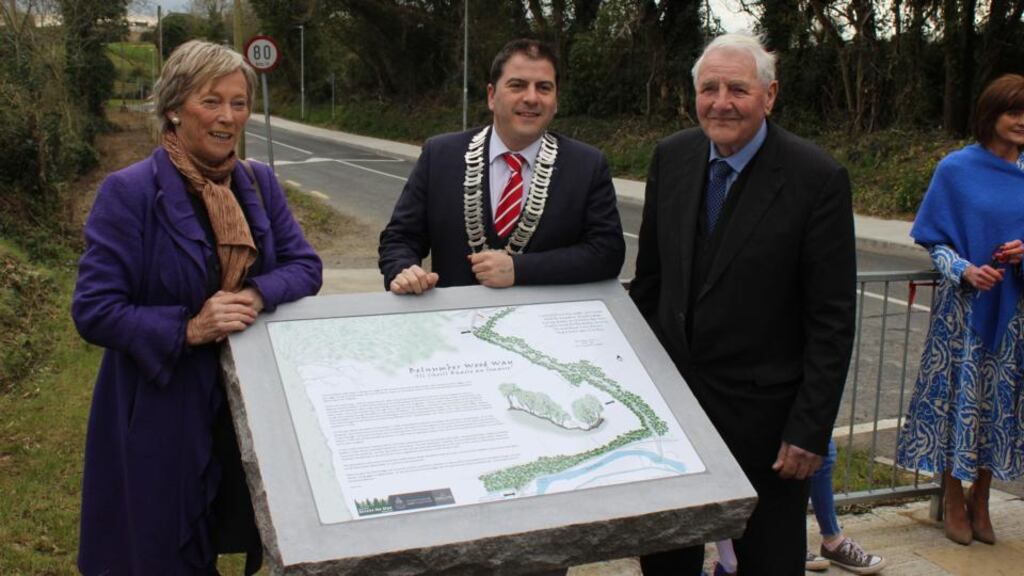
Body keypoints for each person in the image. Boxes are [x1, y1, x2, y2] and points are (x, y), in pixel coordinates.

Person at [72, 40, 323, 575]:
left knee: (234, 526)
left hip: (244, 406)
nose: (228, 117)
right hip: (160, 409)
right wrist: (188, 328)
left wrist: (256, 294)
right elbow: (93, 310)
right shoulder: (130, 193)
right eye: (212, 101)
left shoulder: (257, 183)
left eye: (238, 102)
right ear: (173, 106)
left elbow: (306, 267)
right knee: (162, 550)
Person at [630, 32, 856, 575]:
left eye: (738, 88)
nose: (721, 102)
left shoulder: (816, 179)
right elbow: (651, 285)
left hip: (767, 428)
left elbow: (831, 319)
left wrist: (809, 430)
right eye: (709, 88)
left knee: (769, 562)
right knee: (666, 562)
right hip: (674, 422)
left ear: (770, 95)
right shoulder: (673, 157)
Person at [378, 38, 625, 293]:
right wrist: (403, 270)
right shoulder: (441, 155)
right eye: (517, 85)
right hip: (454, 323)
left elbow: (607, 252)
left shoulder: (587, 165)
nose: (531, 98)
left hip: (545, 326)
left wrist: (520, 269)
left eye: (543, 88)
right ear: (491, 96)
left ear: (556, 101)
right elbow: (400, 237)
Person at [897, 73, 1024, 546]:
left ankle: (983, 498)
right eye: (1013, 111)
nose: (1021, 121)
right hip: (963, 316)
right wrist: (966, 270)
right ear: (990, 115)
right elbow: (933, 240)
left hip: (1014, 321)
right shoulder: (956, 168)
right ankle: (952, 495)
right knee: (959, 401)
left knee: (1001, 407)